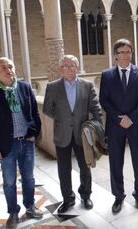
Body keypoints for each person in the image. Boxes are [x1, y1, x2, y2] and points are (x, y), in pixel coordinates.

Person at [0, 57, 42, 229]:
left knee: (29, 178)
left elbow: (35, 114)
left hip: (26, 143)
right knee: (9, 181)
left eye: (10, 66)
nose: (8, 70)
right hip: (6, 146)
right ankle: (13, 212)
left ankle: (30, 207)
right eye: (3, 67)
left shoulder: (24, 87)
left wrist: (34, 134)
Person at [43, 55, 102, 213]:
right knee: (64, 169)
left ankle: (85, 195)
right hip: (62, 134)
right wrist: (63, 118)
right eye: (66, 66)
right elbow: (47, 109)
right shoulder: (52, 87)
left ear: (77, 67)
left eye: (72, 66)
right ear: (61, 69)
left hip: (82, 134)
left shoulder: (87, 85)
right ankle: (68, 199)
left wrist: (99, 129)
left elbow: (95, 108)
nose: (69, 69)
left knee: (85, 167)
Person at [99, 38, 138, 214]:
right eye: (121, 52)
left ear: (132, 53)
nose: (125, 55)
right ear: (115, 56)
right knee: (115, 162)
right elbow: (104, 100)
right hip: (115, 126)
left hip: (136, 125)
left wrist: (132, 117)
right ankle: (118, 196)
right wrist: (119, 118)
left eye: (128, 51)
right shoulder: (106, 75)